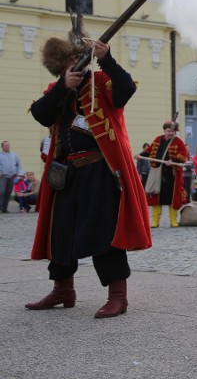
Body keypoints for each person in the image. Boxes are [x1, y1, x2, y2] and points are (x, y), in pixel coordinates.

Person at [27, 32, 151, 318]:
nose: (74, 62)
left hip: (99, 171)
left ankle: (118, 295)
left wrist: (106, 59)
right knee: (60, 232)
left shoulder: (100, 82)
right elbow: (40, 114)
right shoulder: (57, 88)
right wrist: (62, 87)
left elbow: (126, 88)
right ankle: (63, 289)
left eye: (76, 57)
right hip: (65, 174)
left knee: (104, 232)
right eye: (68, 61)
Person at [146, 122, 189, 228]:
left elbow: (183, 155)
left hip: (172, 174)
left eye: (173, 131)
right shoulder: (158, 139)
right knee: (157, 197)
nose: (171, 133)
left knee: (172, 197)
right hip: (158, 172)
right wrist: (140, 155)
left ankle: (173, 220)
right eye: (169, 131)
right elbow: (149, 151)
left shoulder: (178, 141)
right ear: (164, 130)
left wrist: (172, 160)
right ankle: (155, 221)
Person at [0, 140, 23, 214]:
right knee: (2, 192)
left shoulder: (14, 155)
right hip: (3, 176)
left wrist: (19, 173)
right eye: (5, 145)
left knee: (8, 192)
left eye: (8, 145)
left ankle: (4, 208)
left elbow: (18, 164)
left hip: (12, 176)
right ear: (2, 146)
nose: (7, 146)